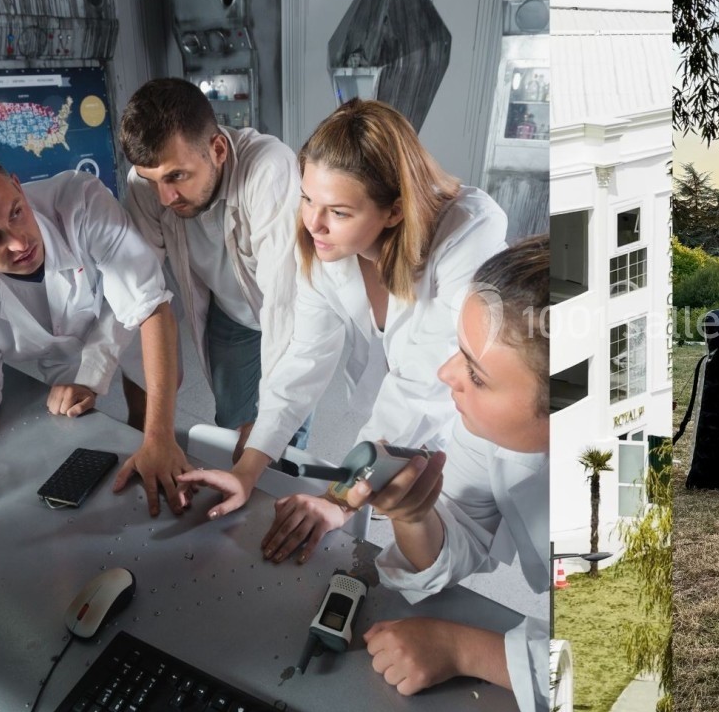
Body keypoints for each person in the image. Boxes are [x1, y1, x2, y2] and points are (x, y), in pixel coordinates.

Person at [177, 98, 507, 524]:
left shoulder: (467, 234)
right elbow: (304, 358)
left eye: (338, 211)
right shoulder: (327, 248)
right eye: (307, 199)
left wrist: (340, 499)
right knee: (402, 523)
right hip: (396, 422)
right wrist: (247, 469)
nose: (313, 223)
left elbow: (425, 381)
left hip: (473, 427)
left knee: (460, 536)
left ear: (394, 210)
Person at [343, 236, 548, 712]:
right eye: (460, 350)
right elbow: (461, 534)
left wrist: (465, 650)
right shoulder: (490, 434)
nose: (445, 373)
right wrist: (414, 516)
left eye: (476, 376)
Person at [0, 146, 191, 515]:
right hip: (60, 357)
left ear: (17, 185)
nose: (20, 243)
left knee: (151, 397)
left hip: (123, 316)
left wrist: (158, 437)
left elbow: (149, 309)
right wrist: (85, 379)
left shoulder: (79, 199)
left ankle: (146, 436)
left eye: (17, 212)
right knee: (75, 423)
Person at [119, 77, 306, 468]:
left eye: (177, 176)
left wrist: (269, 423)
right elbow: (141, 293)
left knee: (283, 433)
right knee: (233, 427)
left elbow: (283, 303)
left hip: (291, 309)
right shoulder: (146, 185)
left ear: (218, 149)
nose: (165, 198)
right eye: (153, 181)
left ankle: (286, 479)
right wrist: (154, 429)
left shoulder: (268, 168)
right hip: (229, 312)